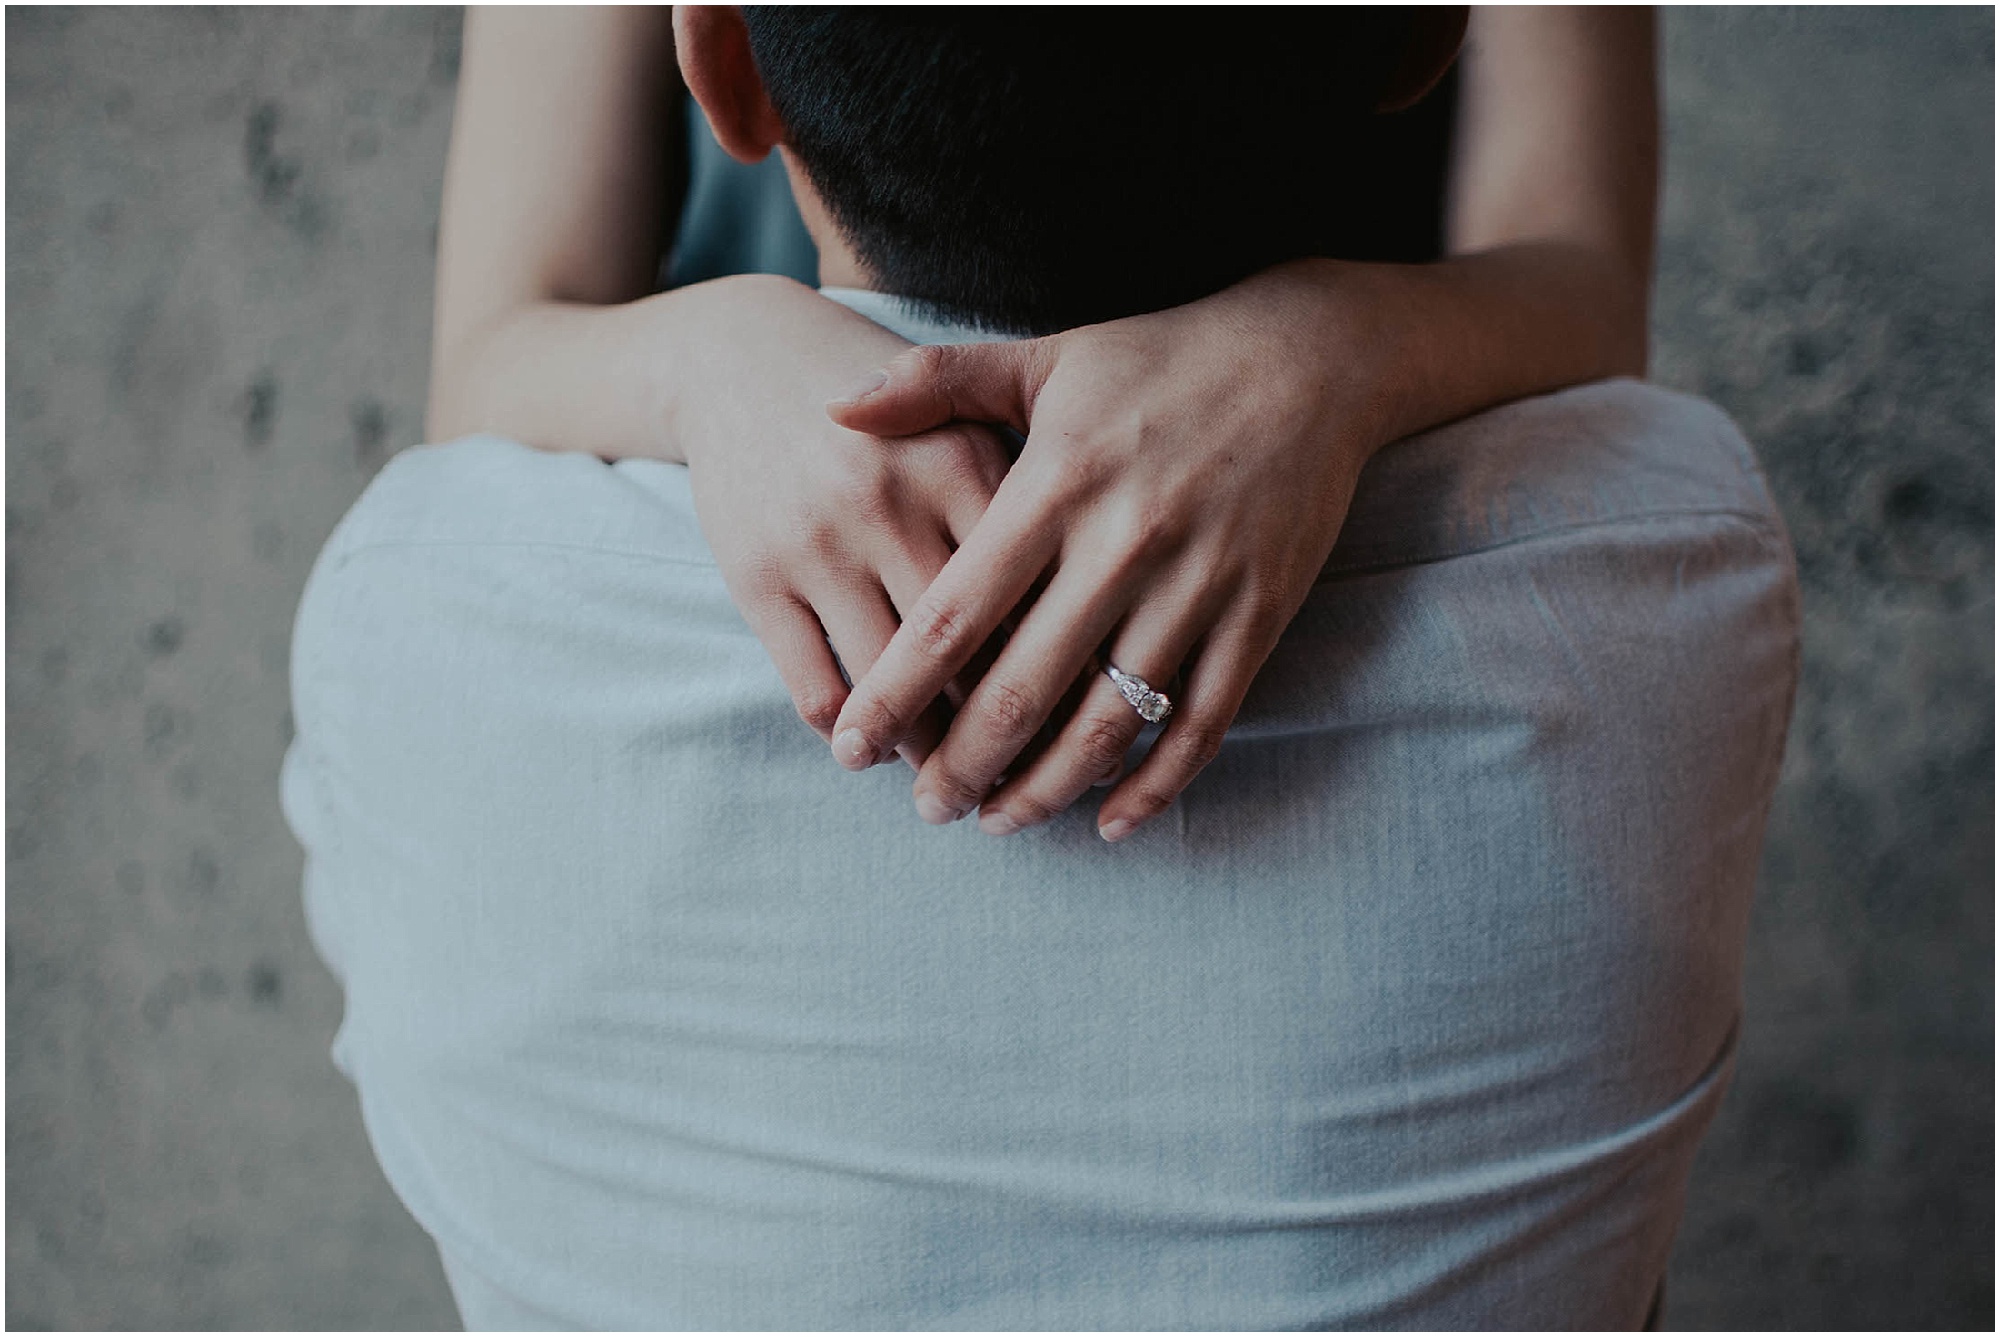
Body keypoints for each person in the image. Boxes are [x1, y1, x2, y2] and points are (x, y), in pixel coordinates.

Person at [283, 6, 1800, 1328]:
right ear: (1429, 34)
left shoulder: (405, 611)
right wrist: (1349, 344)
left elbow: (484, 379)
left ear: (718, 64)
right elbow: (1588, 301)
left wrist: (699, 355)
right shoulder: (1682, 555)